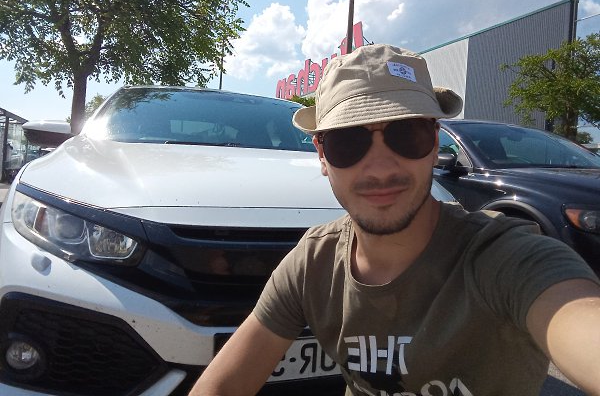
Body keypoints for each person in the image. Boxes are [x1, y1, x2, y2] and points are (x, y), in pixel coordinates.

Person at [189, 44, 600, 396]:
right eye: (348, 141)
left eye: (407, 134)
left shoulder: (504, 257)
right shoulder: (313, 263)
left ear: (434, 142)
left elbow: (575, 315)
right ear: (322, 155)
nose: (381, 168)